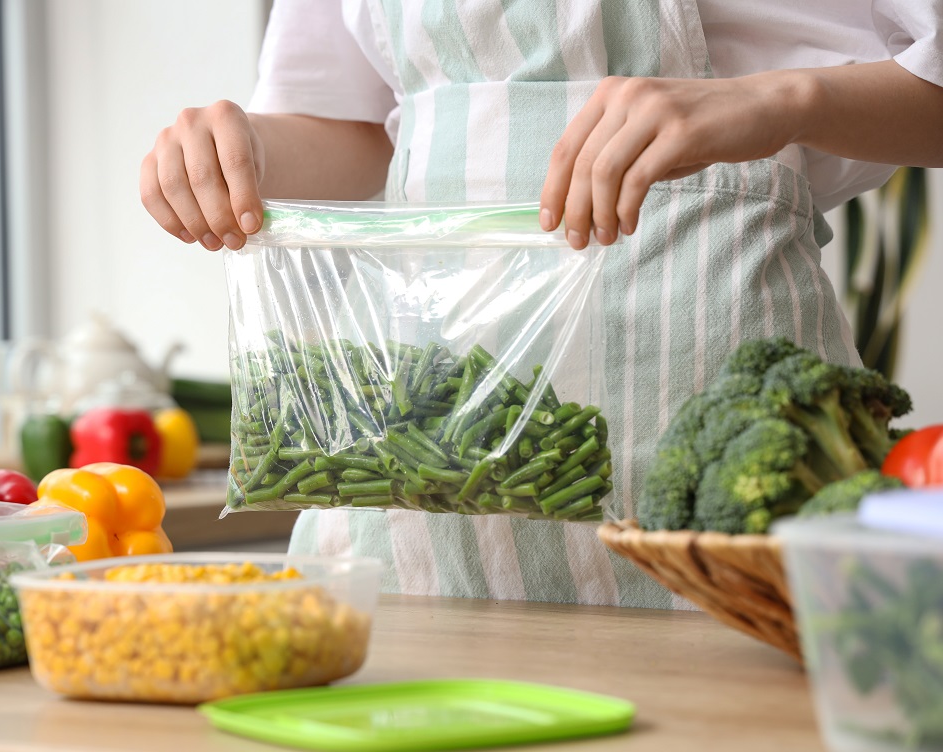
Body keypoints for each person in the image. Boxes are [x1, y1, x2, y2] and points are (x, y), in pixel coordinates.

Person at [140, 0, 943, 608]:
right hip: (410, 472)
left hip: (717, 395)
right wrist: (240, 147)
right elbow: (360, 130)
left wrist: (779, 100)